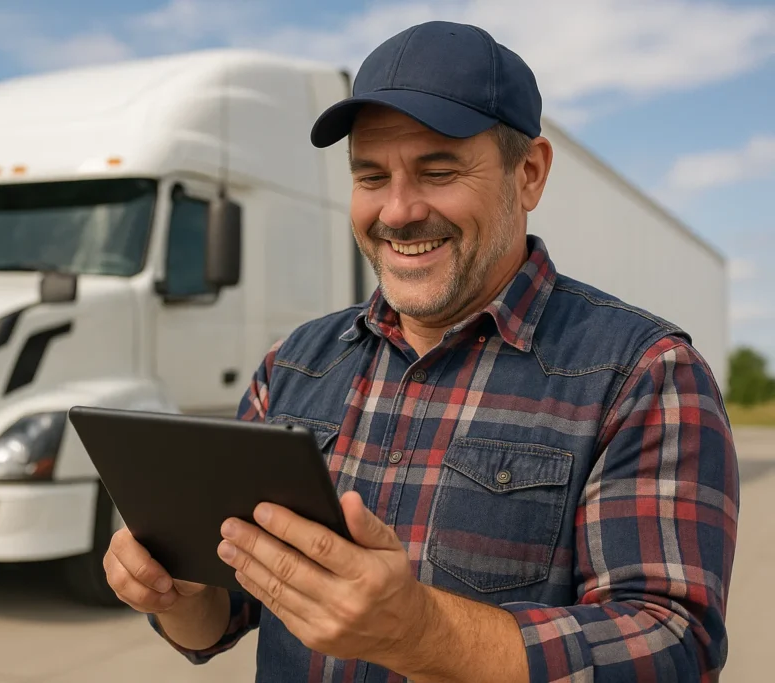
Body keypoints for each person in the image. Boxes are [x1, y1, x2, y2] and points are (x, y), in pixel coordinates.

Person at [102, 20, 740, 683]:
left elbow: (673, 644)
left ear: (529, 174)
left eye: (437, 170)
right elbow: (226, 612)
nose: (398, 210)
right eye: (371, 176)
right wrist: (180, 595)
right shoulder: (292, 366)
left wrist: (421, 632)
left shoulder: (644, 375)